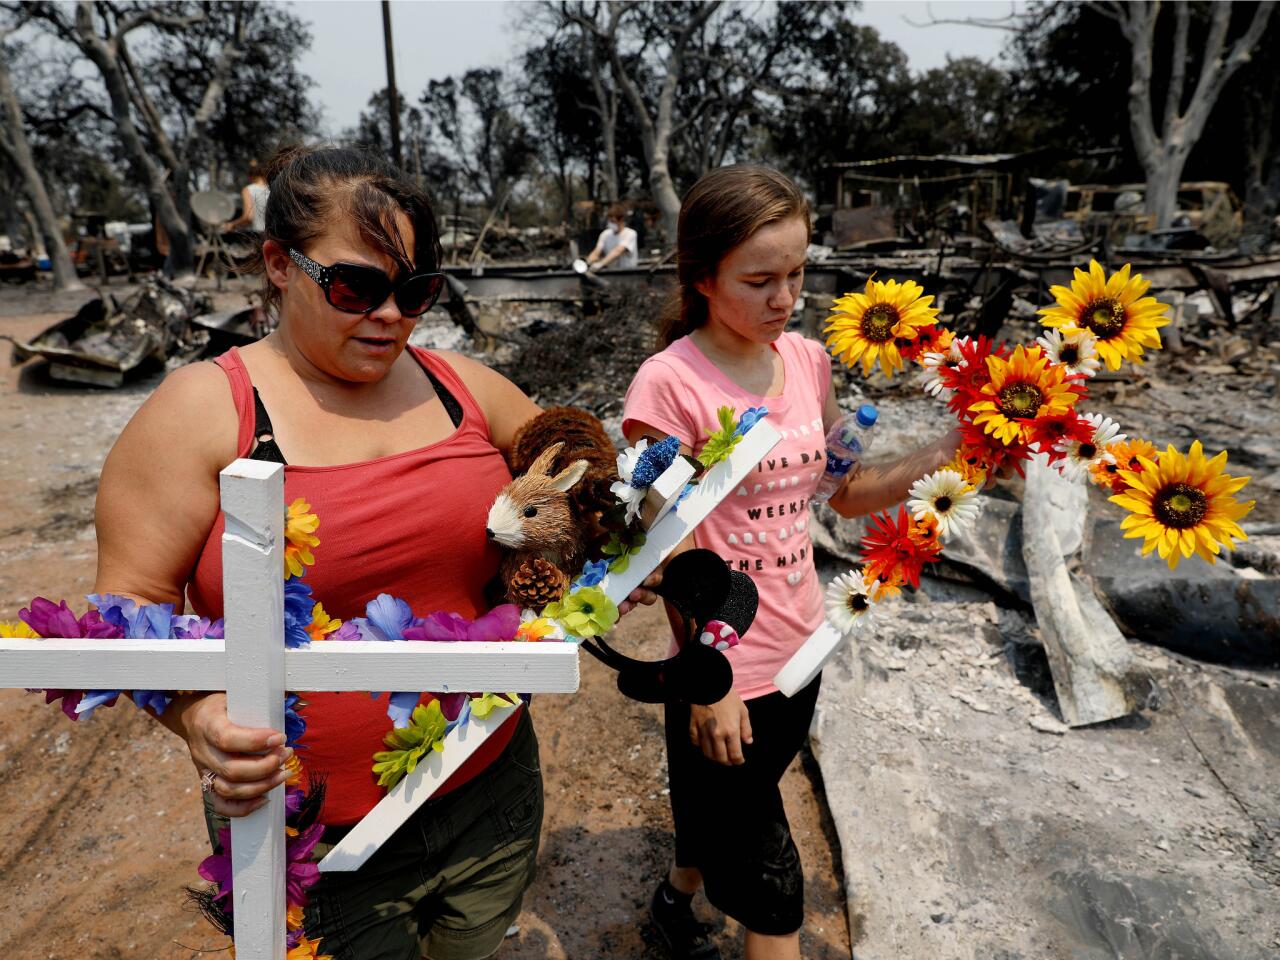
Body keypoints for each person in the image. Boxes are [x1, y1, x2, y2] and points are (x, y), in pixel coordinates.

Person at [93, 144, 655, 960]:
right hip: (311, 844)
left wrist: (599, 554)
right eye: (357, 286)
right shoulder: (199, 414)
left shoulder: (462, 386)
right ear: (280, 265)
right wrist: (195, 715)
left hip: (487, 794)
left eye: (417, 289)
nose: (391, 314)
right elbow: (127, 607)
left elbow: (570, 477)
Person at [622, 165, 960, 960]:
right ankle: (698, 905)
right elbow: (669, 546)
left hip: (802, 648)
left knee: (733, 802)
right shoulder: (669, 388)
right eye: (761, 279)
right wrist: (713, 681)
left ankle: (674, 902)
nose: (787, 298)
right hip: (722, 667)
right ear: (702, 277)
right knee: (775, 897)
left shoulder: (806, 362)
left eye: (799, 273)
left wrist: (948, 452)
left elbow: (842, 492)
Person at [585, 202, 639, 271]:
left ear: (621, 220)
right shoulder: (605, 234)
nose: (611, 224)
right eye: (610, 221)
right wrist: (588, 262)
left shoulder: (630, 234)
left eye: (613, 221)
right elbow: (597, 251)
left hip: (628, 273)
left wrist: (601, 264)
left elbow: (618, 251)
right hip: (612, 272)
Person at [222, 160, 270, 234]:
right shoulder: (272, 189)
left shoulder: (248, 189)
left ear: (251, 177)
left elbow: (248, 217)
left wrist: (232, 224)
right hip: (272, 235)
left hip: (256, 234)